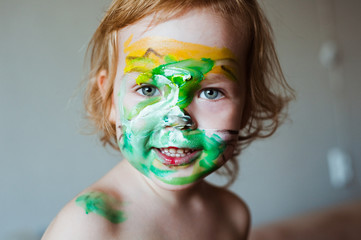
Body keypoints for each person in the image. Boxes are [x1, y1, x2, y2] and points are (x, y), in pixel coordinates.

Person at [42, 0, 293, 239]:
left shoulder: (233, 216)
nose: (177, 118)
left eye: (210, 92)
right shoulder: (86, 228)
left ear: (246, 106)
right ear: (109, 99)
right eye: (148, 89)